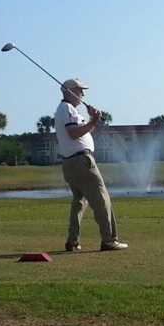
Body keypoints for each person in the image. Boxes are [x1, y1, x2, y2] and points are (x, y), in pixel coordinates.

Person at [54, 78, 128, 252]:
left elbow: (82, 131)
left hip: (71, 163)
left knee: (79, 201)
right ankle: (109, 240)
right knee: (102, 200)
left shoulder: (68, 110)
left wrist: (91, 119)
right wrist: (94, 121)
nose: (83, 94)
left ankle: (73, 241)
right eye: (80, 90)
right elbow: (73, 133)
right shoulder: (67, 109)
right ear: (70, 91)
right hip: (81, 161)